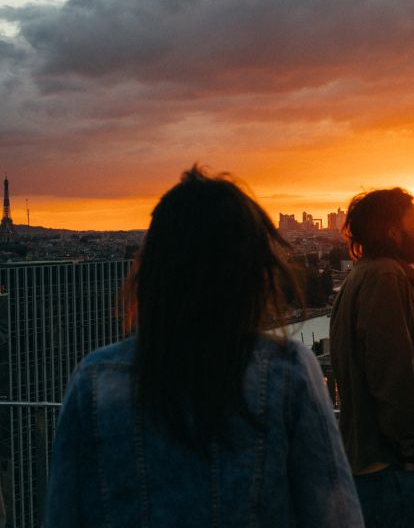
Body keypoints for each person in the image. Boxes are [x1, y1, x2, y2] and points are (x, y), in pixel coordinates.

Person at [44, 166, 363, 527]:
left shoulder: (95, 381)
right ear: (251, 274)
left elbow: (63, 515)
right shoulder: (288, 372)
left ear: (151, 272)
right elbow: (336, 517)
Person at [330, 188, 414, 527]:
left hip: (366, 463)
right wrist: (411, 448)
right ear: (391, 230)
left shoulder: (362, 275)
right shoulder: (386, 277)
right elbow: (392, 376)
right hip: (388, 467)